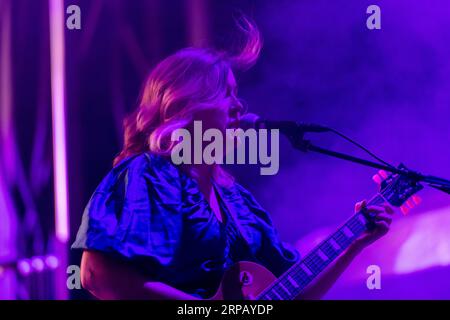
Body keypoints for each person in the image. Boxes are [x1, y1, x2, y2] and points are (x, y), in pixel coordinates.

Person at [71, 17, 393, 300]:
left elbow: (291, 292)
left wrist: (356, 242)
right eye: (227, 94)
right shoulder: (148, 176)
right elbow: (96, 275)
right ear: (185, 104)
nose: (240, 107)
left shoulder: (237, 202)